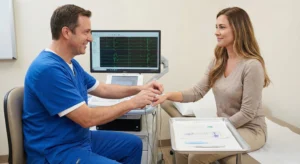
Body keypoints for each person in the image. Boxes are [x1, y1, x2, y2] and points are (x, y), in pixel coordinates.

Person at [22, 4, 163, 164]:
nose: (91, 38)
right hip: (56, 151)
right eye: (86, 32)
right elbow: (87, 119)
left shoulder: (70, 64)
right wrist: (132, 103)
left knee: (134, 144)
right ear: (66, 32)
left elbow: (102, 88)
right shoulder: (47, 69)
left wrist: (140, 88)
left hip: (78, 140)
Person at [154, 7, 270, 164]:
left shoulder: (251, 66)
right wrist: (167, 95)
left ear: (238, 29)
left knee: (196, 156)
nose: (216, 32)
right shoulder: (218, 61)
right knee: (182, 148)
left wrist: (214, 128)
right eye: (216, 27)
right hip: (225, 126)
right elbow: (197, 91)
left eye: (222, 27)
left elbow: (247, 113)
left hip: (250, 130)